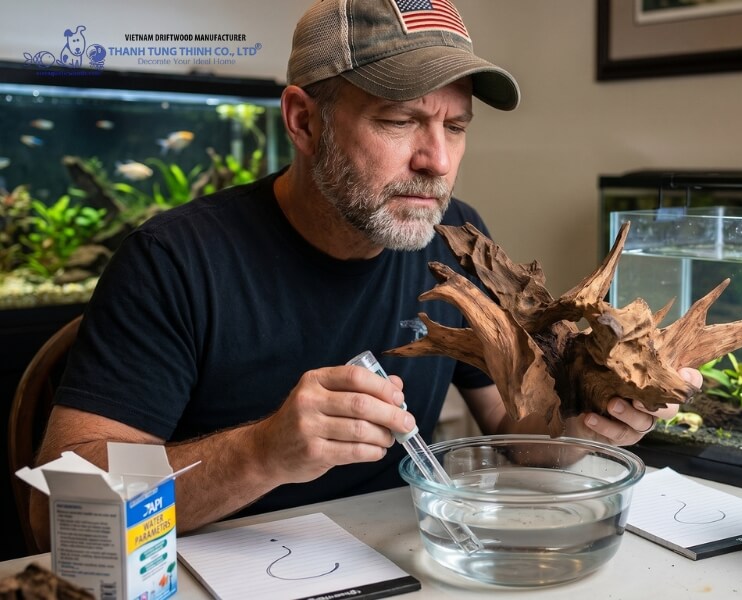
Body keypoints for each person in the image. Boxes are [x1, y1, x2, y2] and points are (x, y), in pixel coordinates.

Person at [30, 0, 699, 549]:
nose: (437, 160)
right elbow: (59, 512)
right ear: (303, 120)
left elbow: (522, 441)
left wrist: (588, 428)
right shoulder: (176, 261)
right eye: (399, 120)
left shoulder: (456, 237)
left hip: (394, 561)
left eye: (456, 126)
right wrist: (263, 452)